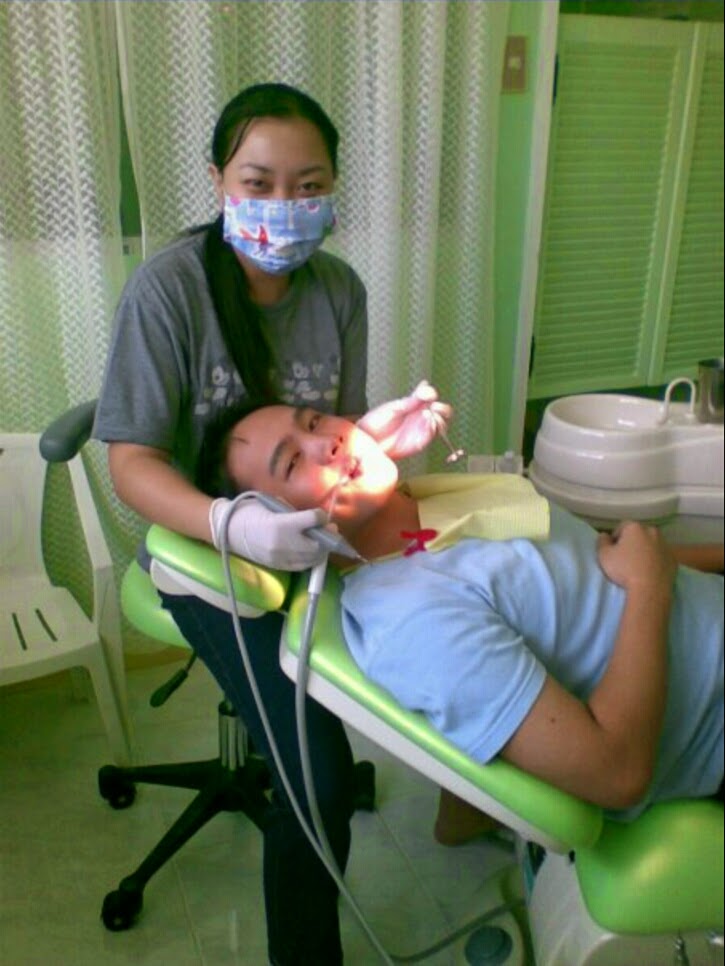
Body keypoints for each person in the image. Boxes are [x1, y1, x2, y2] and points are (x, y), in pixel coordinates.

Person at [93, 82, 451, 966]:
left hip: (315, 546)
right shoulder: (170, 290)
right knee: (317, 777)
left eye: (308, 186)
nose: (283, 206)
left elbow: (333, 437)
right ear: (219, 180)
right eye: (258, 184)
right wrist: (233, 527)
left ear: (333, 191)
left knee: (456, 619)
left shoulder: (338, 290)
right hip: (205, 556)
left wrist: (382, 438)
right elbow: (131, 465)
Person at [200, 401, 724, 822]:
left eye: (314, 421)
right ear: (276, 530)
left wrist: (664, 571)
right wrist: (650, 588)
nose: (327, 441)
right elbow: (617, 774)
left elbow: (607, 562)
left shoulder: (429, 504)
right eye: (293, 463)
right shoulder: (415, 622)